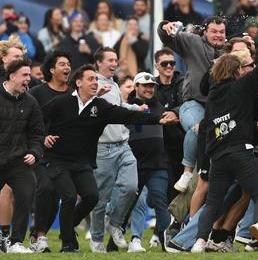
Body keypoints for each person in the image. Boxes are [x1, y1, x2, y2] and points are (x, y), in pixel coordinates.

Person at [41, 64, 172, 252]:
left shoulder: (99, 106)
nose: (95, 82)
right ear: (78, 83)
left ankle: (71, 228)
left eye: (96, 79)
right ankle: (68, 244)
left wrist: (157, 119)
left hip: (82, 162)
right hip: (57, 160)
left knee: (92, 197)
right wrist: (42, 137)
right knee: (69, 196)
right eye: (90, 79)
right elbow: (37, 118)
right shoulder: (61, 102)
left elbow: (126, 114)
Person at [191, 23, 258, 253]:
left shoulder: (213, 94)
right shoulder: (241, 87)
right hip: (242, 152)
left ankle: (199, 242)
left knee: (213, 203)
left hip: (218, 156)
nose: (248, 69)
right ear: (236, 72)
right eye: (245, 67)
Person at [88, 47, 147, 253]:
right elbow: (81, 105)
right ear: (99, 63)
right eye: (110, 60)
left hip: (123, 145)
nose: (115, 63)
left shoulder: (113, 84)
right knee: (100, 198)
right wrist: (95, 94)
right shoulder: (91, 82)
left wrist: (135, 109)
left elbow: (120, 106)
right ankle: (96, 239)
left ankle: (114, 224)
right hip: (102, 149)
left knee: (131, 187)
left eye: (115, 60)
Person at [157, 16, 226, 192]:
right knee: (198, 128)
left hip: (220, 108)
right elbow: (168, 38)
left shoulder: (230, 50)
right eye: (214, 31)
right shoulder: (194, 42)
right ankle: (187, 171)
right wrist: (165, 26)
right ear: (205, 32)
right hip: (193, 103)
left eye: (221, 32)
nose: (218, 35)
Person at [123, 72, 175, 252]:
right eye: (145, 85)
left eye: (151, 86)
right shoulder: (127, 107)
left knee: (161, 202)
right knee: (127, 203)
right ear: (136, 87)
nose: (149, 89)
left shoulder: (160, 107)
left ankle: (164, 241)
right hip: (133, 164)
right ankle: (116, 240)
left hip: (157, 163)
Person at [27, 52, 71, 253]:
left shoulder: (73, 94)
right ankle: (41, 235)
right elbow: (29, 122)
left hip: (65, 156)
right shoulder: (37, 93)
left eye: (69, 64)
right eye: (62, 64)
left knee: (58, 196)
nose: (67, 67)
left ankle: (37, 234)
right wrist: (42, 138)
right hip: (39, 152)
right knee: (45, 188)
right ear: (52, 70)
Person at [0, 58, 45, 253]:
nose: (29, 79)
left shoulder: (31, 102)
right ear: (12, 76)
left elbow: (37, 134)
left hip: (18, 160)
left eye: (29, 75)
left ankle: (15, 242)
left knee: (27, 191)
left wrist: (34, 152)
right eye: (25, 75)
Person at [153, 48, 185, 198]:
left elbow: (189, 103)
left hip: (182, 144)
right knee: (164, 188)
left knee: (181, 187)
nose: (169, 66)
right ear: (156, 66)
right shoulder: (150, 86)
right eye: (164, 63)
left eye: (172, 63)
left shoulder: (183, 83)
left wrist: (176, 112)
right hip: (160, 144)